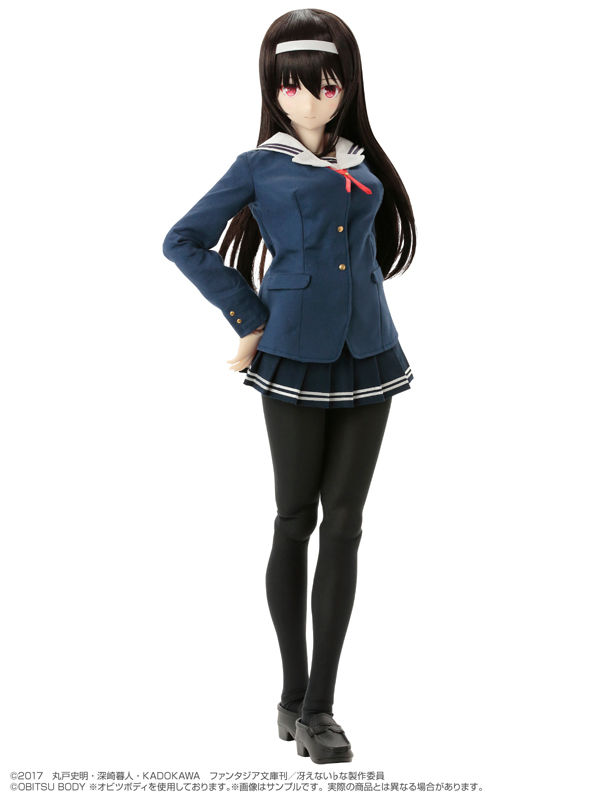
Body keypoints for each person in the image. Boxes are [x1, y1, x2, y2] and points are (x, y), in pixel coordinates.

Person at [162, 8, 417, 764]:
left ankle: (320, 709)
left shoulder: (360, 158)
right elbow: (181, 240)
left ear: (347, 87)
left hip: (371, 352)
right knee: (294, 519)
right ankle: (292, 694)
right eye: (293, 85)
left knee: (347, 524)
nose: (310, 98)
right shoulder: (258, 165)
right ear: (273, 89)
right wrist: (248, 317)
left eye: (326, 85)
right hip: (295, 353)